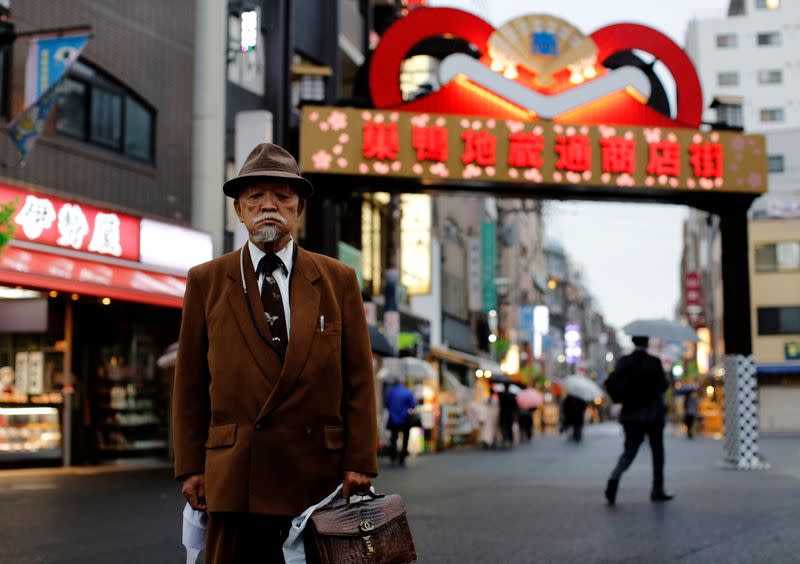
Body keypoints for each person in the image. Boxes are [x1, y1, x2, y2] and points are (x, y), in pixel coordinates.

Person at [172, 143, 378, 564]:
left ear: (298, 208)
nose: (269, 206)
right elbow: (190, 383)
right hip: (234, 473)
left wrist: (361, 459)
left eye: (282, 197)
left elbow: (357, 377)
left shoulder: (337, 280)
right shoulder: (207, 281)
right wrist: (190, 466)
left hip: (317, 475)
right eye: (255, 197)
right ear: (239, 211)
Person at [604, 335, 672, 505]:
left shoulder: (625, 361)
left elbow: (610, 382)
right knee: (658, 452)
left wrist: (620, 398)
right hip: (653, 414)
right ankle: (657, 489)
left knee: (629, 451)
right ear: (647, 342)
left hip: (631, 414)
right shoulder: (653, 362)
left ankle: (615, 477)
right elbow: (663, 386)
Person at [384, 379, 416, 466]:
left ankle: (393, 456)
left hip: (393, 419)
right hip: (405, 419)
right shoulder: (408, 392)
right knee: (405, 439)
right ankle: (402, 457)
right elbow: (413, 405)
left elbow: (386, 404)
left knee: (394, 438)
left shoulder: (390, 392)